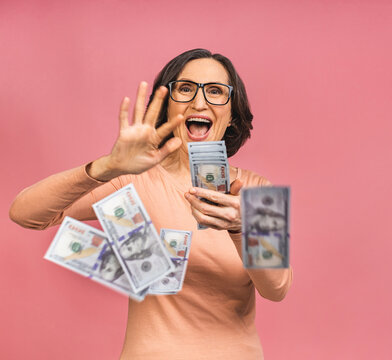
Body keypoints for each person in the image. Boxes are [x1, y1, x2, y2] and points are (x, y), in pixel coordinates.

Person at [9, 48, 293, 359]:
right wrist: (105, 167)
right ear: (168, 107)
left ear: (232, 115)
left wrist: (242, 228)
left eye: (215, 92)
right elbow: (25, 213)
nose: (200, 102)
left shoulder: (256, 191)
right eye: (185, 89)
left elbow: (276, 289)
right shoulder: (134, 178)